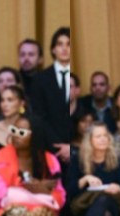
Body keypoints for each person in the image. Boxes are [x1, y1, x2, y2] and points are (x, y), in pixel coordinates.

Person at [28, 27, 72, 163]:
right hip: (49, 149)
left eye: (69, 44)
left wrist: (71, 147)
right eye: (60, 44)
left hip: (75, 151)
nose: (64, 48)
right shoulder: (40, 79)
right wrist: (58, 146)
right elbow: (39, 116)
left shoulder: (78, 76)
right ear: (53, 49)